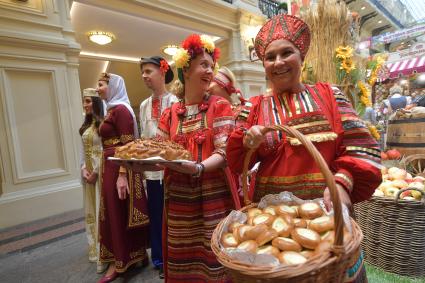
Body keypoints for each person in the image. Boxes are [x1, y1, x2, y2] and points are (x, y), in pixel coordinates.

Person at [226, 14, 381, 283]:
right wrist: (246, 142)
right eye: (270, 57)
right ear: (263, 64)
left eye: (287, 53)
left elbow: (360, 146)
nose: (278, 62)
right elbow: (238, 163)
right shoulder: (252, 107)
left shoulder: (329, 95)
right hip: (274, 224)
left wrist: (342, 185)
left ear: (302, 56)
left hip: (328, 213)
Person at [156, 34, 236, 282]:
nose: (210, 71)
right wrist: (144, 163)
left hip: (212, 199)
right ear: (186, 69)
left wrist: (199, 167)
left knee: (214, 259)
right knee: (183, 260)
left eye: (212, 66)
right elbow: (157, 151)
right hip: (179, 203)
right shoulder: (169, 114)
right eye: (204, 64)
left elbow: (224, 154)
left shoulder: (220, 106)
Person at [96, 73, 149, 283]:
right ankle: (131, 256)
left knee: (118, 214)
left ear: (114, 86)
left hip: (119, 167)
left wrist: (121, 175)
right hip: (109, 165)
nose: (98, 89)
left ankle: (119, 263)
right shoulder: (112, 109)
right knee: (114, 212)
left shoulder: (121, 110)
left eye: (101, 85)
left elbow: (128, 146)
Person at [139, 56, 177, 279]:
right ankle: (159, 259)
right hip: (151, 173)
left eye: (148, 71)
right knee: (155, 215)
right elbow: (143, 137)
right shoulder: (143, 105)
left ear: (162, 72)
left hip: (171, 169)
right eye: (142, 72)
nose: (144, 76)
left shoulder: (175, 102)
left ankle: (174, 257)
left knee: (172, 215)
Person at [79, 88, 105, 273]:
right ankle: (93, 249)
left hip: (100, 175)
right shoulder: (86, 125)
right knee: (90, 211)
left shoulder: (103, 124)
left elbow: (105, 150)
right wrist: (83, 168)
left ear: (95, 102)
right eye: (84, 101)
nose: (85, 104)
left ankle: (103, 252)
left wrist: (95, 171)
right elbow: (82, 151)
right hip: (87, 175)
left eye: (88, 101)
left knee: (99, 211)